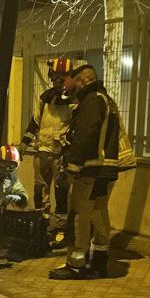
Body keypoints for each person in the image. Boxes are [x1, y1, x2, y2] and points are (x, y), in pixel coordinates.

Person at [49, 64, 121, 280]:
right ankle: (99, 261)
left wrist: (73, 165)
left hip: (89, 169)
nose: (69, 86)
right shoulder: (106, 99)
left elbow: (85, 136)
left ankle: (76, 265)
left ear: (82, 80)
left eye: (72, 80)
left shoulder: (92, 101)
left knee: (79, 216)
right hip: (106, 169)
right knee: (99, 214)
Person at [22, 58, 74, 242]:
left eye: (62, 78)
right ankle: (41, 225)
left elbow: (76, 128)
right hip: (42, 152)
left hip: (60, 156)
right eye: (55, 78)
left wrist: (67, 152)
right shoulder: (45, 98)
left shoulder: (74, 101)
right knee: (39, 191)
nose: (58, 82)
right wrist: (23, 143)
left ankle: (61, 229)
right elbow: (36, 121)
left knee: (61, 193)